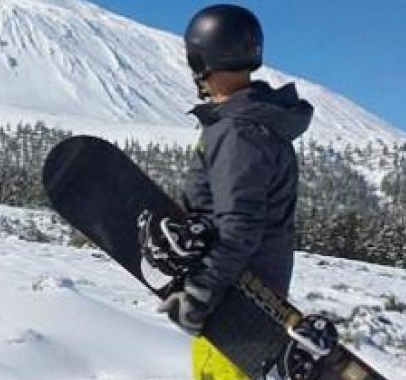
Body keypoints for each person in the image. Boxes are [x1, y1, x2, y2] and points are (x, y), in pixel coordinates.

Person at [155, 4, 313, 379]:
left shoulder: (238, 131)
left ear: (201, 60)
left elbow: (239, 226)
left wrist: (201, 291)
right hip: (246, 302)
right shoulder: (256, 124)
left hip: (236, 309)